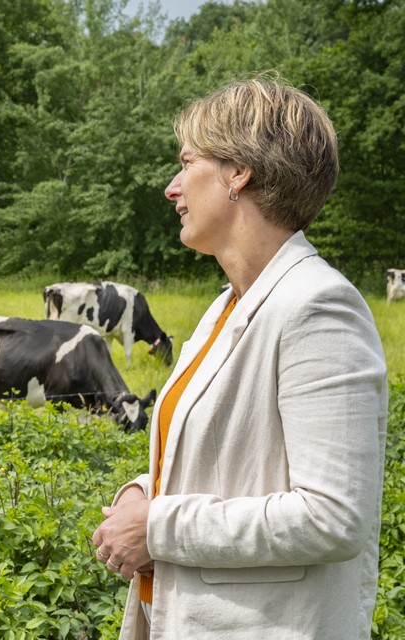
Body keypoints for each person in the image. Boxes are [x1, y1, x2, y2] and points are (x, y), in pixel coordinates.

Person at [92, 76, 388, 639]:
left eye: (186, 162)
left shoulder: (319, 307)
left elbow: (332, 517)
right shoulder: (229, 305)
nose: (172, 187)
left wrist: (158, 525)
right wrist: (144, 489)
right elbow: (233, 459)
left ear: (238, 173)